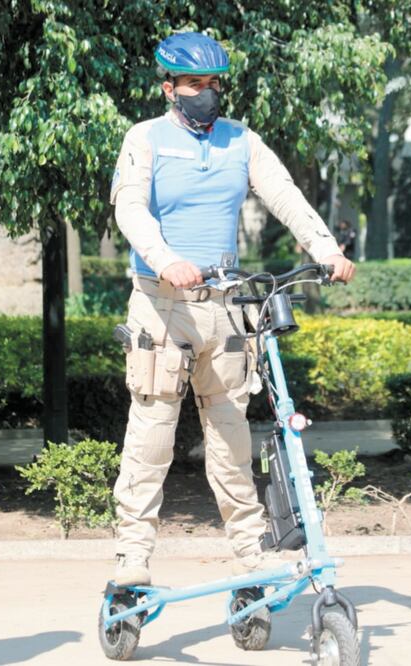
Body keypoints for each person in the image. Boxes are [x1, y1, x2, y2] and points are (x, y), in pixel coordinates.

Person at [109, 32, 355, 586]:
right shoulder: (143, 139)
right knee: (151, 437)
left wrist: (325, 249)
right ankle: (132, 558)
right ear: (169, 87)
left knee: (231, 440)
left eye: (214, 83)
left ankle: (251, 557)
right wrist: (165, 257)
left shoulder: (240, 140)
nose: (206, 93)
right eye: (194, 83)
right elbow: (129, 207)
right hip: (161, 304)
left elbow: (284, 193)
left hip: (227, 308)